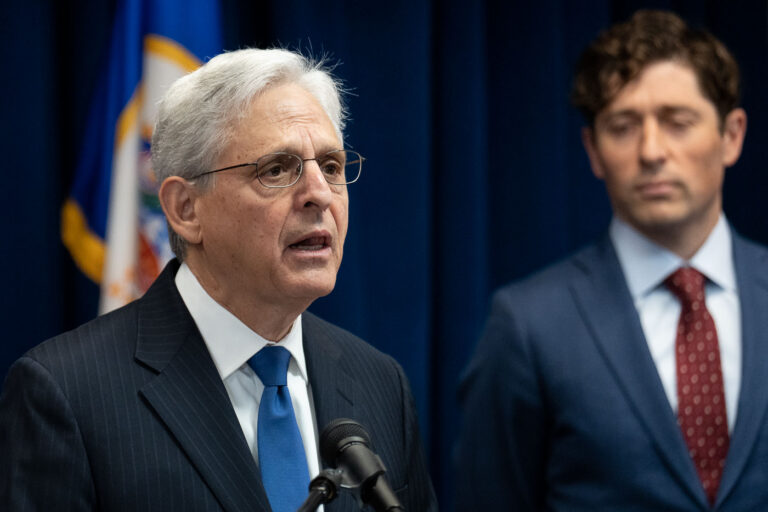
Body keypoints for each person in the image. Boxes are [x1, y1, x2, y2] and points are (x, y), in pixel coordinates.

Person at [0, 48, 437, 512]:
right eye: (277, 170)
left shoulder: (380, 383)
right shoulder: (66, 394)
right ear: (186, 209)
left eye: (330, 167)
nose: (319, 195)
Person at [456, 10, 768, 511]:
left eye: (678, 122)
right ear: (593, 150)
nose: (651, 150)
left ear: (732, 135)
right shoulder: (529, 326)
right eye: (623, 127)